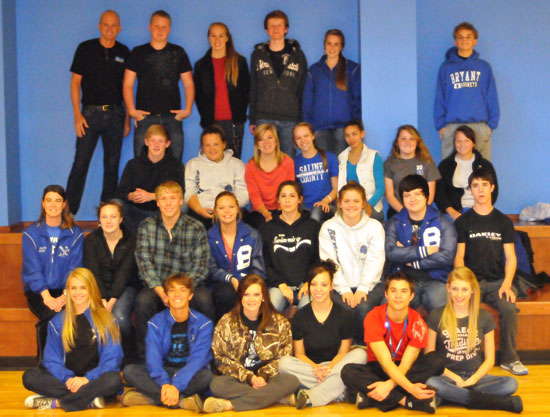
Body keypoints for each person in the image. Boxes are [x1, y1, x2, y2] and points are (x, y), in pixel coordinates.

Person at [454, 168, 528, 375]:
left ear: (492, 188)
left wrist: (507, 284)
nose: (480, 190)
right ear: (470, 190)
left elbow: (511, 257)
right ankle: (470, 360)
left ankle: (510, 359)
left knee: (509, 308)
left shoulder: (503, 222)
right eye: (475, 186)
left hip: (497, 282)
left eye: (484, 185)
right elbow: (459, 257)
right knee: (466, 311)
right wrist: (464, 285)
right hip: (472, 283)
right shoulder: (463, 222)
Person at [341, 273, 446, 413]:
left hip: (406, 369)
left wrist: (388, 385)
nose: (398, 296)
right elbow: (386, 363)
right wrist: (412, 389)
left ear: (411, 296)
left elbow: (405, 364)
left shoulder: (417, 322)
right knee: (348, 371)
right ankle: (406, 401)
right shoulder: (373, 317)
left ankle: (372, 398)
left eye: (404, 291)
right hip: (380, 368)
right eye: (393, 290)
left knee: (436, 360)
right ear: (386, 294)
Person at [22, 268, 123, 411]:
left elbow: (112, 360)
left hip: (94, 379)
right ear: (67, 291)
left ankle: (57, 403)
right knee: (30, 377)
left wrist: (87, 379)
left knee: (114, 380)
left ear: (91, 290)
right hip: (67, 381)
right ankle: (89, 399)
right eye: (73, 288)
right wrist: (68, 379)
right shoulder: (57, 322)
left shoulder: (107, 320)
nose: (77, 292)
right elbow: (51, 360)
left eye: (83, 288)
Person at [425, 267, 523, 413]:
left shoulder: (484, 317)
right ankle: (494, 402)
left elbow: (490, 360)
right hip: (446, 376)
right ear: (448, 288)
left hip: (476, 376)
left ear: (472, 290)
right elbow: (429, 355)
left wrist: (474, 379)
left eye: (464, 289)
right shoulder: (436, 315)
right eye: (455, 289)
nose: (459, 294)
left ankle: (448, 397)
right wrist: (456, 379)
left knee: (510, 384)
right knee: (431, 382)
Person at [134, 181, 213, 361]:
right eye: (164, 199)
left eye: (173, 198)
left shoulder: (195, 227)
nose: (168, 203)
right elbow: (144, 264)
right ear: (157, 202)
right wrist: (162, 292)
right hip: (158, 285)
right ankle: (145, 359)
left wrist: (180, 292)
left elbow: (201, 266)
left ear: (181, 201)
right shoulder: (146, 226)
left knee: (205, 300)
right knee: (143, 302)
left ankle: (206, 356)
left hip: (188, 285)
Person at [278, 260, 367, 408]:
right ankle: (339, 392)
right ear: (308, 286)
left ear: (331, 286)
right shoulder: (300, 317)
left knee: (360, 354)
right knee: (284, 364)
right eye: (314, 284)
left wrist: (330, 369)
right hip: (311, 369)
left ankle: (311, 397)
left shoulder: (345, 315)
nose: (318, 289)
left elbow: (343, 352)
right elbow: (299, 354)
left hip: (337, 365)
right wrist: (316, 369)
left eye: (324, 285)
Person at [65, 10, 130, 215]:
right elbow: (75, 83)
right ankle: (68, 215)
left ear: (119, 29)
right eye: (106, 25)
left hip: (116, 115)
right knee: (80, 165)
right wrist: (77, 115)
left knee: (111, 167)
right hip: (89, 115)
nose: (110, 29)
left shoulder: (124, 52)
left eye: (114, 26)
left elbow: (127, 88)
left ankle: (107, 216)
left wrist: (127, 119)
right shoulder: (85, 49)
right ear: (100, 26)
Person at [205, 275, 300, 413]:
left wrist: (263, 376)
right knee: (216, 384)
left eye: (256, 294)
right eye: (246, 294)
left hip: (269, 379)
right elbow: (220, 358)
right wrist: (249, 377)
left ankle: (230, 405)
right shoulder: (226, 322)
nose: (251, 299)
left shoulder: (280, 322)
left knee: (292, 381)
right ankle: (277, 398)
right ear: (240, 297)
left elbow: (284, 355)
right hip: (239, 379)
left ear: (263, 297)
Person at [122, 273, 213, 411]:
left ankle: (152, 398)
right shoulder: (155, 323)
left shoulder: (204, 324)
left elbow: (197, 361)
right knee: (130, 371)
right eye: (172, 290)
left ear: (190, 295)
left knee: (206, 376)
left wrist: (176, 385)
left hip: (189, 372)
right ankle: (181, 401)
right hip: (166, 371)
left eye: (182, 290)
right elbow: (153, 360)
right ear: (166, 296)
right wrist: (165, 383)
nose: (177, 294)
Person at [22, 185, 84, 360]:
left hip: (68, 292)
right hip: (38, 292)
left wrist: (64, 296)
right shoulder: (31, 234)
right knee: (52, 315)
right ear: (42, 204)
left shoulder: (75, 234)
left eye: (58, 200)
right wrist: (47, 297)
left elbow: (75, 268)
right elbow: (32, 270)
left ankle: (70, 364)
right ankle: (44, 365)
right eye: (49, 200)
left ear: (64, 204)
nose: (53, 205)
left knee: (73, 317)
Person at [319, 181, 385, 341]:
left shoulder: (375, 227)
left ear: (363, 203)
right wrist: (344, 290)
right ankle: (344, 351)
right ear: (340, 203)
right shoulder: (328, 227)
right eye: (346, 201)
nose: (351, 205)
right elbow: (329, 262)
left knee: (363, 307)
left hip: (371, 285)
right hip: (339, 286)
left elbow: (375, 260)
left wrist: (363, 288)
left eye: (356, 201)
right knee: (345, 308)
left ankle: (365, 349)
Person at [123, 10, 194, 160]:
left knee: (174, 164)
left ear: (169, 29)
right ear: (150, 27)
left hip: (172, 118)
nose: (160, 30)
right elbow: (127, 84)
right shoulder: (138, 52)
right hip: (145, 117)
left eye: (164, 27)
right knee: (141, 164)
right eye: (157, 26)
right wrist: (131, 110)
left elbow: (188, 84)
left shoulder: (178, 52)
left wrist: (187, 110)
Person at [385, 175, 457, 313]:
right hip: (403, 279)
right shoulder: (394, 222)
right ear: (402, 199)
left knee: (441, 313)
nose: (412, 199)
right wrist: (424, 251)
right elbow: (391, 253)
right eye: (407, 195)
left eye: (417, 194)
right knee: (388, 311)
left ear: (426, 196)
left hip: (436, 280)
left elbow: (447, 256)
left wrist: (412, 260)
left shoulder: (443, 222)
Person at [435, 22, 499, 160]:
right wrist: (441, 125)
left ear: (474, 41)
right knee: (450, 171)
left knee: (482, 172)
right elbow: (440, 97)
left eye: (468, 37)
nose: (464, 40)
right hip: (452, 126)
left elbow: (491, 96)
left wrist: (491, 125)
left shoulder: (484, 67)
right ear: (455, 41)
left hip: (480, 126)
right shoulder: (446, 68)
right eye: (460, 37)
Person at [249, 10, 307, 157]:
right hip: (264, 116)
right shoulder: (257, 55)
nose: (275, 28)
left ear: (286, 29)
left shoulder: (298, 55)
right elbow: (253, 87)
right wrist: (253, 118)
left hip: (290, 117)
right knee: (265, 159)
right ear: (266, 29)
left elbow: (302, 88)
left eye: (279, 25)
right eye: (271, 25)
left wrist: (301, 118)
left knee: (287, 160)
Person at [83, 200, 138, 350]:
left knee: (119, 317)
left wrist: (112, 300)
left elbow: (125, 273)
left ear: (120, 219)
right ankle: (102, 356)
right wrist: (101, 299)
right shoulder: (90, 240)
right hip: (98, 288)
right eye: (104, 217)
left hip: (125, 288)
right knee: (90, 319)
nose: (108, 221)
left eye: (113, 217)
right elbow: (93, 272)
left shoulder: (132, 240)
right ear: (99, 220)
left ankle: (127, 352)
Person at [261, 181, 320, 312]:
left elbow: (318, 260)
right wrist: (280, 284)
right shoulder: (267, 229)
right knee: (269, 311)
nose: (287, 200)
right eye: (283, 196)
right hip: (278, 287)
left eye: (292, 196)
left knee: (309, 313)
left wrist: (309, 282)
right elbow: (265, 263)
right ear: (278, 200)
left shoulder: (312, 226)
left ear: (300, 199)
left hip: (307, 286)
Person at [194, 22, 250, 158]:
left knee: (233, 164)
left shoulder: (239, 62)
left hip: (234, 123)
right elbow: (198, 95)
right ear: (208, 38)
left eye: (221, 35)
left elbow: (246, 91)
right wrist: (206, 117)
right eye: (213, 35)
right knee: (212, 164)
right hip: (211, 123)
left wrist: (239, 114)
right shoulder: (201, 65)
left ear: (227, 38)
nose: (217, 40)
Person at [115, 124, 184, 233]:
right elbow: (120, 192)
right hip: (135, 212)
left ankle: (167, 234)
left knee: (182, 206)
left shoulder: (176, 165)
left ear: (167, 144)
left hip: (162, 212)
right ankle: (127, 238)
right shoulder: (133, 164)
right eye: (153, 141)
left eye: (161, 141)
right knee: (116, 204)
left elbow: (180, 193)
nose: (156, 145)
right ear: (146, 142)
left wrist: (152, 196)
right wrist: (131, 196)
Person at [208, 191, 265, 320]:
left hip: (248, 282)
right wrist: (230, 278)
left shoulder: (252, 234)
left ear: (238, 209)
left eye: (231, 207)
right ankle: (224, 332)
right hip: (221, 285)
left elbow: (258, 268)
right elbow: (210, 269)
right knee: (225, 292)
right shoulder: (210, 236)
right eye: (221, 208)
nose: (226, 211)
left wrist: (245, 283)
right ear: (215, 211)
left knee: (252, 294)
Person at [302, 29, 361, 155]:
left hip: (344, 128)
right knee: (325, 168)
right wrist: (307, 126)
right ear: (324, 45)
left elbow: (357, 99)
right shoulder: (314, 70)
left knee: (342, 168)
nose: (332, 47)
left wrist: (356, 124)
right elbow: (307, 101)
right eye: (329, 43)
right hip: (319, 128)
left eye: (336, 44)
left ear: (341, 46)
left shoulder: (352, 69)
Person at [184, 125, 249, 230]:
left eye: (216, 144)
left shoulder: (238, 165)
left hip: (231, 211)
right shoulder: (192, 165)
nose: (212, 149)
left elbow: (243, 195)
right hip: (202, 211)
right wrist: (200, 210)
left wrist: (225, 210)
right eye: (207, 145)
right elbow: (190, 192)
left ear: (224, 144)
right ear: (202, 147)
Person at [435, 125, 498, 220]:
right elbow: (439, 194)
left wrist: (481, 211)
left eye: (466, 140)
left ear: (473, 143)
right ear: (454, 143)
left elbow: (493, 192)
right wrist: (452, 212)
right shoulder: (445, 166)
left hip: (480, 212)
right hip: (453, 215)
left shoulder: (485, 165)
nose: (462, 144)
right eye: (458, 141)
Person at [384, 124, 441, 218]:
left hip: (423, 212)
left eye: (412, 139)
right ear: (397, 142)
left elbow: (430, 194)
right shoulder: (389, 163)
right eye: (403, 138)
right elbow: (390, 196)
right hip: (398, 213)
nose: (407, 142)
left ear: (417, 142)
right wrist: (405, 213)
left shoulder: (427, 162)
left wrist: (419, 212)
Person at [244, 123, 295, 228]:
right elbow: (254, 196)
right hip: (260, 212)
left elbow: (289, 191)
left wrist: (281, 213)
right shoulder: (250, 166)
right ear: (257, 145)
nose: (266, 142)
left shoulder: (287, 162)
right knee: (267, 228)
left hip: (284, 208)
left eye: (270, 138)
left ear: (276, 141)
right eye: (261, 139)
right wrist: (266, 213)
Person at [338, 119, 385, 221]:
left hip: (371, 208)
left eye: (354, 134)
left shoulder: (374, 156)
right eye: (347, 135)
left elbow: (380, 188)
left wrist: (367, 205)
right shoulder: (342, 157)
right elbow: (340, 188)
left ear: (362, 134)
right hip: (349, 208)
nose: (351, 139)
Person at [293, 122, 338, 222]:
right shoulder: (295, 163)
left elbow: (336, 188)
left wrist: (325, 201)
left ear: (313, 136)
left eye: (306, 136)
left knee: (316, 212)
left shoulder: (329, 158)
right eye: (298, 138)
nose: (303, 140)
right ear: (295, 141)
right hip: (305, 209)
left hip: (326, 207)